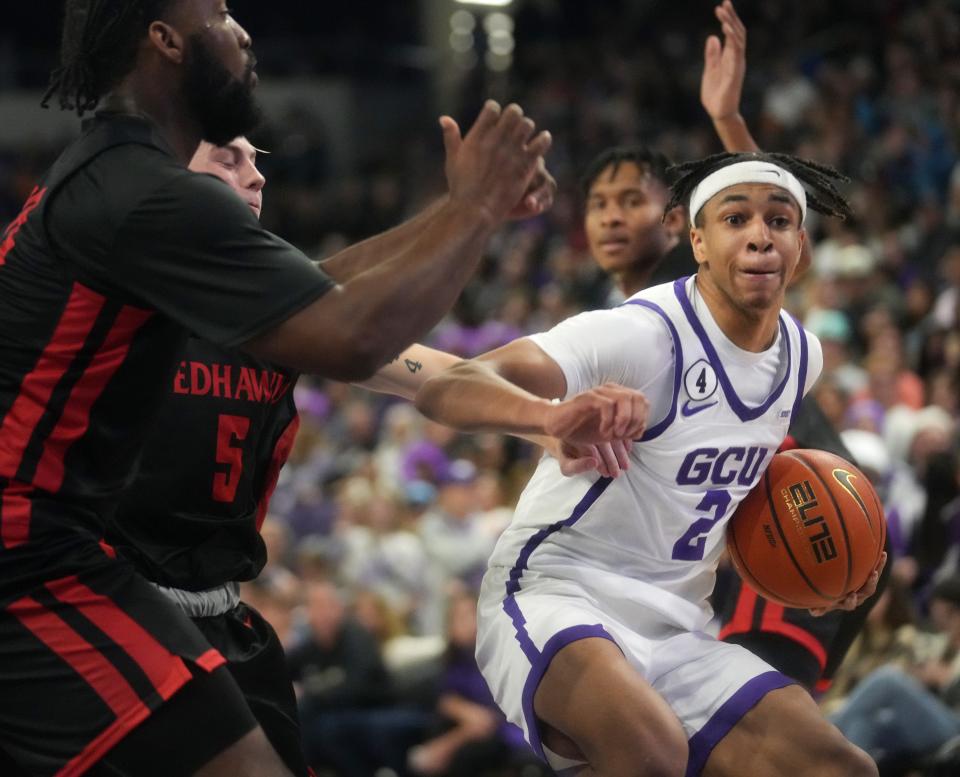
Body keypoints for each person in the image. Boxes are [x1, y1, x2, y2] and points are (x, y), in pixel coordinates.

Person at [0, 1, 598, 774]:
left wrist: (541, 415)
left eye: (258, 163)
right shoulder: (144, 200)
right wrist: (474, 211)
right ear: (165, 39)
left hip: (175, 592)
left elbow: (347, 306)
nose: (242, 27)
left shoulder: (130, 192)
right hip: (39, 556)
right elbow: (353, 334)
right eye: (217, 11)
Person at [415, 151, 885, 776]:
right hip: (556, 590)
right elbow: (447, 387)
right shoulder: (643, 335)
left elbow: (728, 499)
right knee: (651, 753)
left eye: (778, 221)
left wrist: (825, 572)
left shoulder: (803, 358)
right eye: (735, 218)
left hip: (677, 626)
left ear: (800, 243)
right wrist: (547, 417)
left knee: (840, 768)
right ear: (697, 239)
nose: (758, 235)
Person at [579, 0, 890, 694]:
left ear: (681, 220)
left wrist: (726, 121)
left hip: (798, 518)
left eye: (631, 199)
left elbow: (774, 225)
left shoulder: (702, 280)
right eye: (599, 203)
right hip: (761, 541)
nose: (612, 216)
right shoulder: (624, 319)